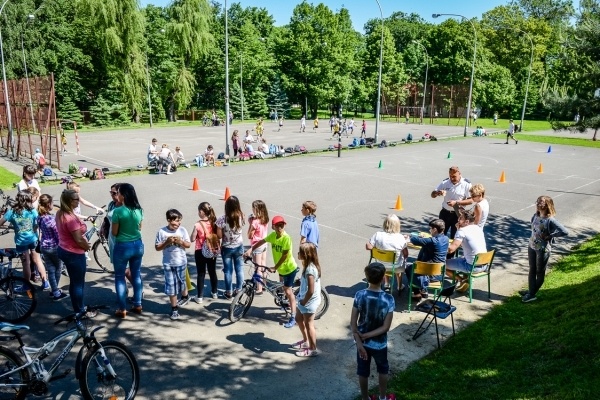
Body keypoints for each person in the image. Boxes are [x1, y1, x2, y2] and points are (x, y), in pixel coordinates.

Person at [244, 215, 298, 328]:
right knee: (282, 287)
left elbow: (285, 255)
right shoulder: (273, 235)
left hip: (289, 268)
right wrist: (250, 249)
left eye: (282, 225)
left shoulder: (286, 238)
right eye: (277, 225)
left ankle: (293, 317)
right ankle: (284, 302)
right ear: (273, 227)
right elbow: (261, 241)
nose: (280, 227)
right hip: (281, 269)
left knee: (288, 291)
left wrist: (275, 267)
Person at [351, 262, 395, 400]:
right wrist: (367, 336)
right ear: (383, 278)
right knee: (383, 369)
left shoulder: (359, 295)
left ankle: (365, 398)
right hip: (380, 344)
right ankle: (382, 397)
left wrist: (360, 342)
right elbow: (386, 327)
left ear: (367, 277)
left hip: (362, 344)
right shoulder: (389, 299)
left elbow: (353, 323)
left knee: (362, 371)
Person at [521, 196, 568, 303]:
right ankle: (531, 291)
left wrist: (550, 236)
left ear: (547, 205)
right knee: (532, 269)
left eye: (541, 202)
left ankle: (531, 294)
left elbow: (564, 231)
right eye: (537, 201)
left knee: (540, 272)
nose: (538, 204)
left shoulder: (550, 220)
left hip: (542, 249)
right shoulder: (535, 216)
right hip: (532, 246)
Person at [0, 191, 48, 289]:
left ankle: (26, 285)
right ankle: (45, 282)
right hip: (33, 239)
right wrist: (33, 229)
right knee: (38, 260)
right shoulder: (32, 211)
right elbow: (37, 223)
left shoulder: (11, 212)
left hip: (21, 242)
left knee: (26, 263)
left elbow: (1, 223)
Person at [112, 183, 144, 318]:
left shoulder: (118, 211)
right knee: (136, 275)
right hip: (138, 245)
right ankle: (138, 304)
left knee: (119, 277)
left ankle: (122, 309)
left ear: (123, 195)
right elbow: (140, 228)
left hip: (122, 246)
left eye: (118, 193)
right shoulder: (139, 209)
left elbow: (114, 232)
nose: (117, 195)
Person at [55, 190, 91, 313]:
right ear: (70, 201)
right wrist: (86, 247)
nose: (79, 201)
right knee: (78, 284)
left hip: (63, 248)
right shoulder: (70, 219)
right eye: (77, 199)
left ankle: (77, 307)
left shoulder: (60, 213)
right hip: (74, 253)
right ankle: (80, 310)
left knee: (74, 282)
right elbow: (78, 239)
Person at [155, 209, 191, 320]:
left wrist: (180, 242)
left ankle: (185, 296)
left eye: (179, 221)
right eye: (176, 221)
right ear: (169, 220)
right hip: (168, 263)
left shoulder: (182, 230)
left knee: (182, 282)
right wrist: (167, 242)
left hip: (181, 262)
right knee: (171, 286)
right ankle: (174, 309)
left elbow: (188, 244)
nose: (179, 223)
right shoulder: (162, 232)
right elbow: (157, 247)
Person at [404, 219, 449, 299]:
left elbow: (416, 240)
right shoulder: (446, 239)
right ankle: (423, 291)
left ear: (435, 229)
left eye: (430, 228)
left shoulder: (432, 241)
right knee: (424, 249)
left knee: (409, 268)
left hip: (427, 275)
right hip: (439, 274)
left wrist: (410, 237)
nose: (429, 230)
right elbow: (427, 242)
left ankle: (417, 292)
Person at [291, 242, 322, 357]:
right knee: (298, 319)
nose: (298, 254)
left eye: (300, 252)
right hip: (303, 299)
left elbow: (311, 290)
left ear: (306, 255)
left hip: (309, 302)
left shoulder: (310, 270)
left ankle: (313, 349)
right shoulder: (308, 266)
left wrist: (304, 302)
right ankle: (305, 341)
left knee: (309, 325)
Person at [445, 209, 487, 292]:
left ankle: (462, 280)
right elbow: (464, 243)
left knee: (441, 264)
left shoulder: (462, 232)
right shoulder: (477, 228)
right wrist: (458, 228)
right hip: (484, 265)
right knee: (463, 258)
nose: (458, 220)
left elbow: (451, 249)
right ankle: (465, 281)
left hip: (472, 267)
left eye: (461, 218)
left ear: (467, 221)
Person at [365, 214, 408, 292]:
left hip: (380, 265)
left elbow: (368, 247)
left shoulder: (377, 235)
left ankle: (386, 283)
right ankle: (399, 285)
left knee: (385, 260)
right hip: (396, 266)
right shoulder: (400, 237)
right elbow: (406, 254)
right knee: (399, 260)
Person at [38, 194, 68, 300]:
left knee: (50, 269)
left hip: (44, 246)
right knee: (58, 268)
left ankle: (54, 290)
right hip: (54, 247)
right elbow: (57, 234)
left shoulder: (40, 217)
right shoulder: (50, 219)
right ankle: (55, 291)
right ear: (48, 205)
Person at [431, 166, 472, 239]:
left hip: (458, 214)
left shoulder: (466, 184)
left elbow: (470, 200)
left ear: (459, 174)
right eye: (450, 176)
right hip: (445, 213)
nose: (452, 178)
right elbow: (432, 195)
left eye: (454, 176)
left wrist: (456, 203)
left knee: (455, 237)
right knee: (439, 236)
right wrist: (438, 193)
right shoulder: (445, 182)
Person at [216, 195, 245, 299]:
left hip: (227, 247)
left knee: (228, 271)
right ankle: (239, 289)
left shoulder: (222, 219)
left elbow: (219, 236)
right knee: (239, 269)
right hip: (239, 246)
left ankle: (229, 292)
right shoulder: (241, 216)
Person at [190, 202, 219, 302]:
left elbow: (192, 239)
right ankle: (214, 292)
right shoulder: (213, 222)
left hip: (200, 251)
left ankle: (200, 297)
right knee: (212, 271)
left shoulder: (198, 224)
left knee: (201, 273)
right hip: (211, 250)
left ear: (201, 212)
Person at [247, 200, 269, 294]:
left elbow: (249, 235)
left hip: (257, 245)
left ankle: (259, 288)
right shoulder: (265, 219)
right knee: (263, 264)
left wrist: (250, 224)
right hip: (264, 243)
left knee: (257, 267)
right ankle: (264, 284)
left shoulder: (255, 222)